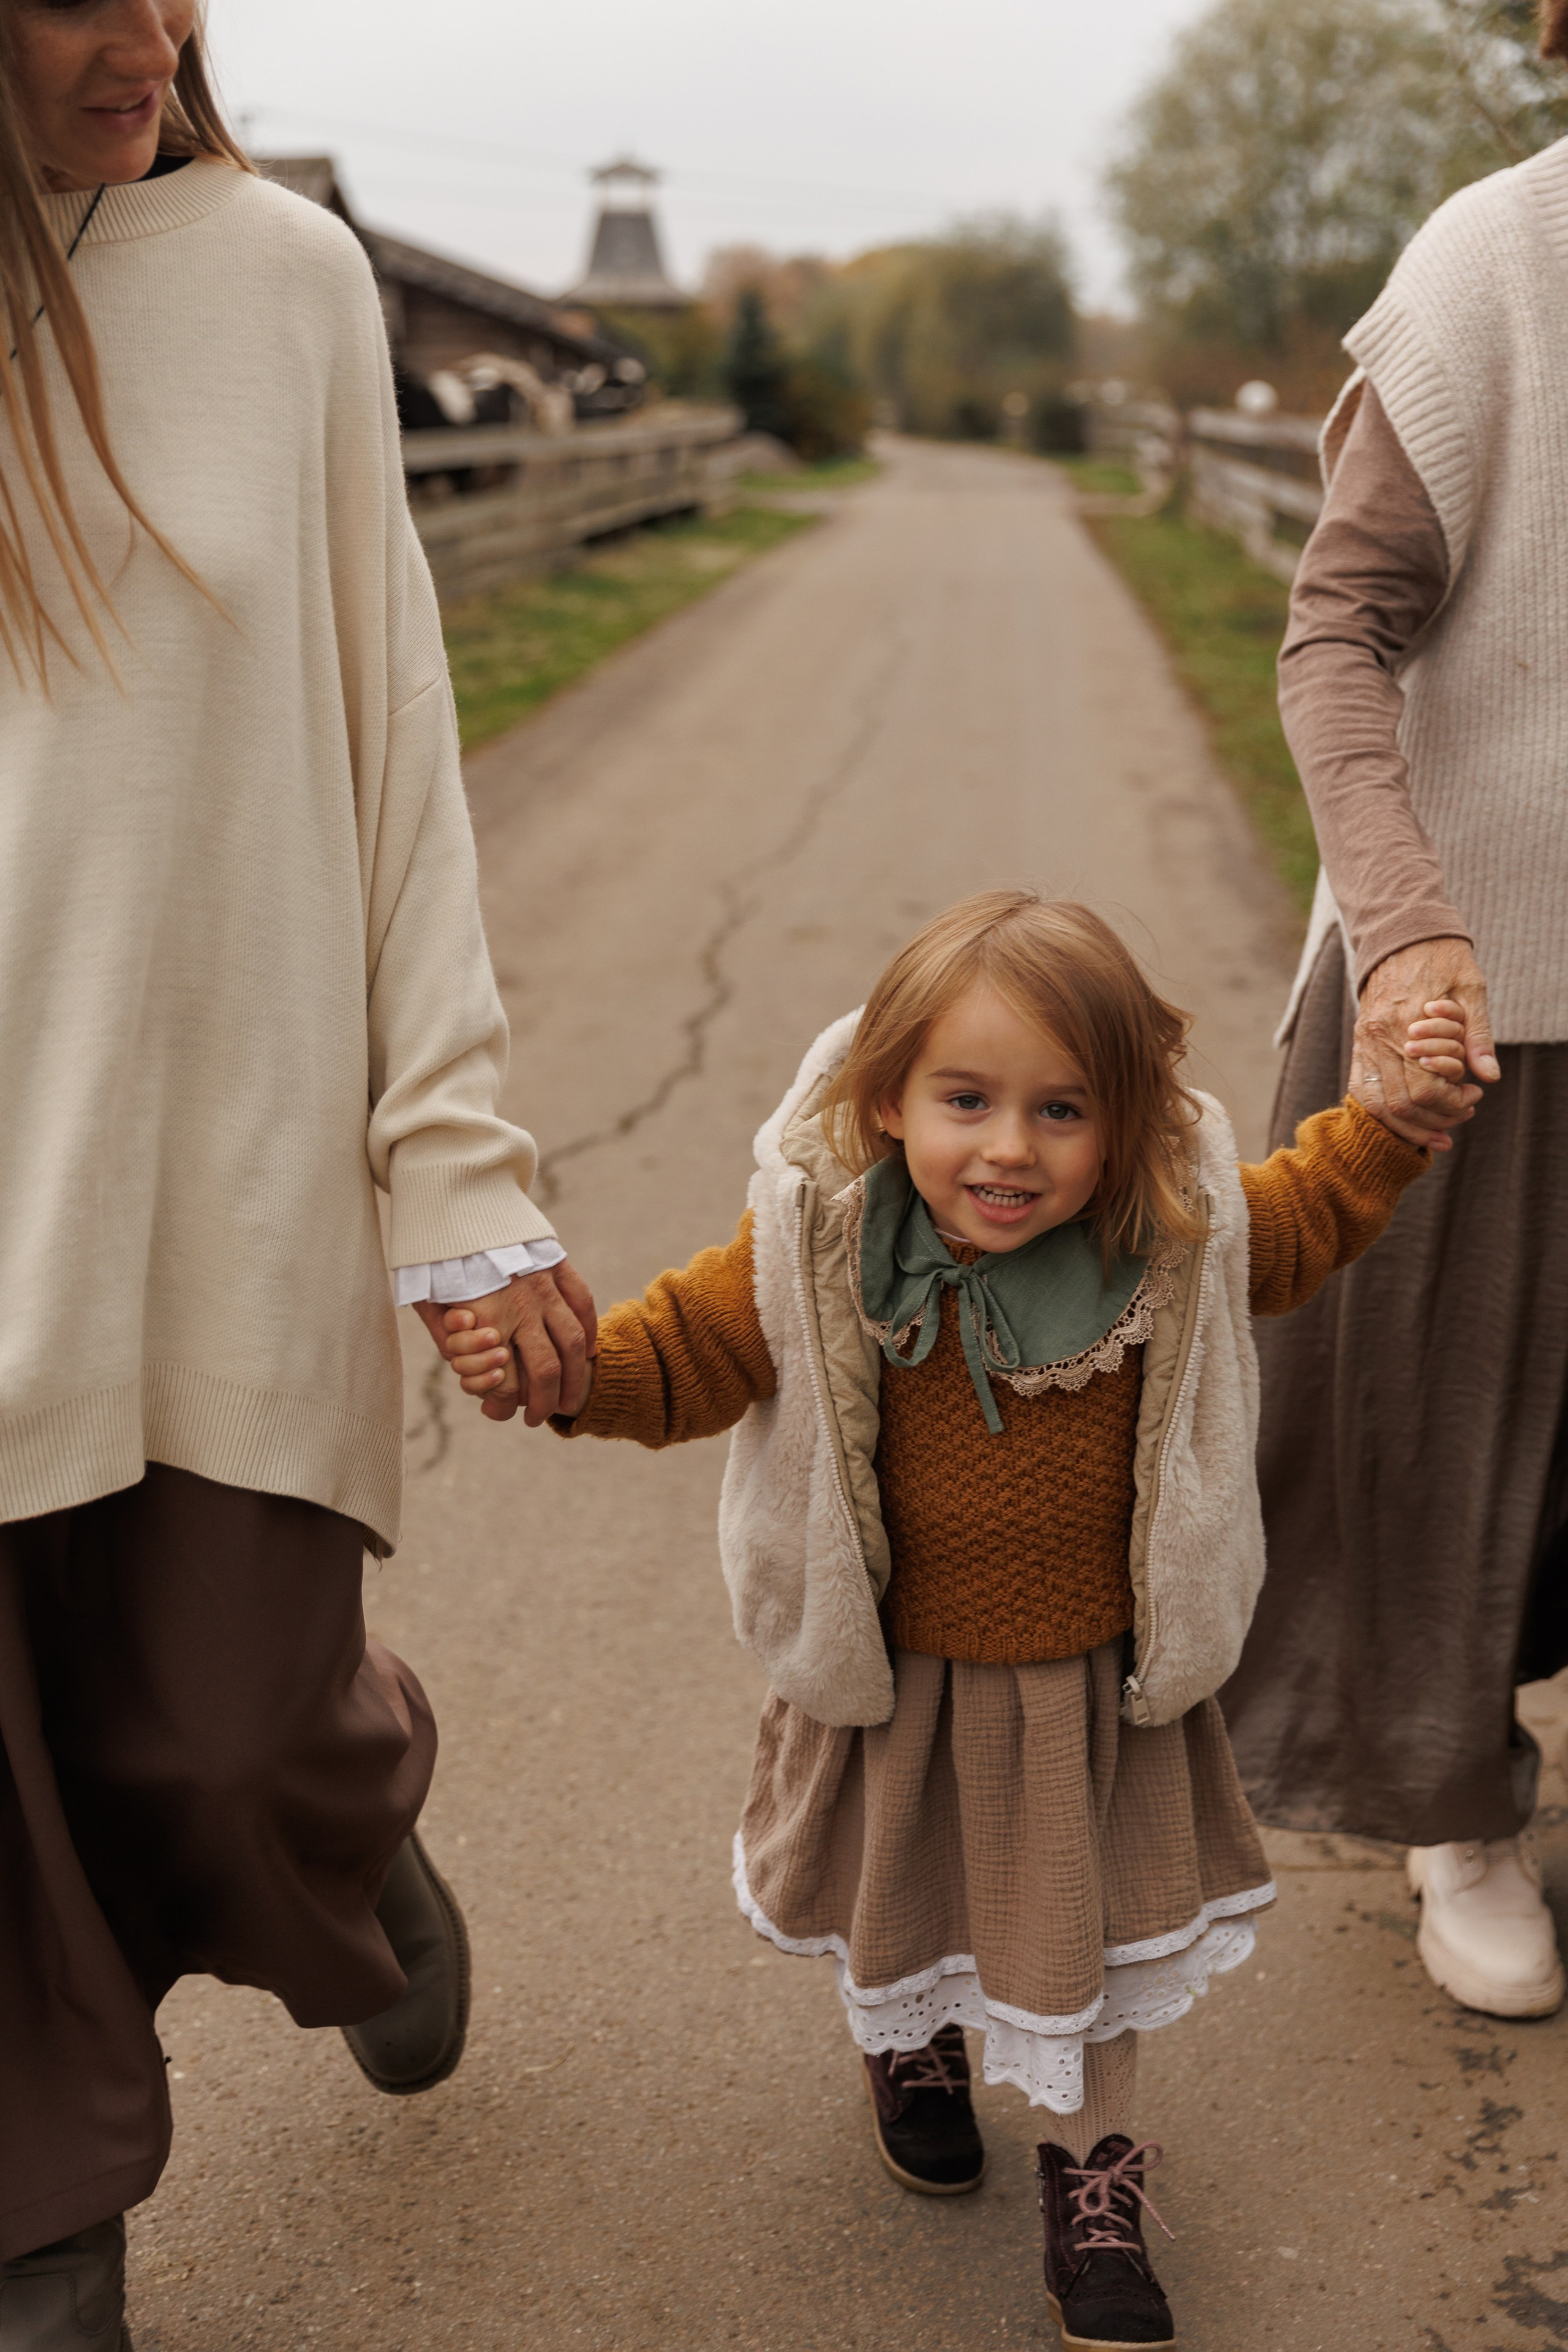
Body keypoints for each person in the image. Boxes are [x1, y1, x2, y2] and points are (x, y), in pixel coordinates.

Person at [434, 892, 1462, 2346]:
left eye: (1061, 1110)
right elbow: (677, 1357)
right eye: (964, 1101)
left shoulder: (1165, 1239)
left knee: (1090, 1959)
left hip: (1092, 1693)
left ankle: (1092, 2191)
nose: (1009, 1148)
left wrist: (1391, 1124)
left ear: (1124, 1123)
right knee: (902, 1893)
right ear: (885, 1102)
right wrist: (555, 1372)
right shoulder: (816, 1246)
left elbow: (1299, 1217)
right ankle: (910, 2045)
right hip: (898, 1680)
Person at [0, 6, 593, 2345]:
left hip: (210, 1179)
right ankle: (47, 2240)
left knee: (217, 1739)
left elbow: (395, 744)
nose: (147, 36)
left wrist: (457, 1168)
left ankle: (351, 1807)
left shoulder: (281, 281)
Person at [1219, 23, 1568, 2024]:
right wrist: (1409, 928)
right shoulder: (1495, 261)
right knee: (1434, 1450)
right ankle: (1456, 1812)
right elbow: (1334, 630)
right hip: (1492, 984)